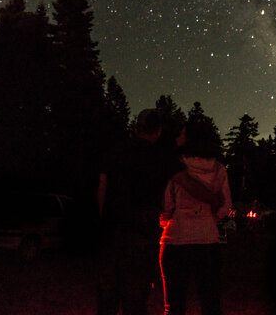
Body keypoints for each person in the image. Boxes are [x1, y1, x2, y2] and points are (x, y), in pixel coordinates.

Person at [97, 109, 220, 315]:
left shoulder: (115, 151)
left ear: (136, 129)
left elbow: (102, 186)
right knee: (135, 300)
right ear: (159, 131)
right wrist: (214, 198)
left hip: (111, 234)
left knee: (107, 298)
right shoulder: (160, 157)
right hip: (140, 236)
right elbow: (188, 183)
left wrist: (103, 220)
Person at [159, 120, 233, 315]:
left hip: (175, 240)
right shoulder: (218, 169)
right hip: (208, 241)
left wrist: (169, 216)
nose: (178, 137)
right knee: (211, 304)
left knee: (174, 306)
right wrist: (211, 218)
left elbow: (167, 204)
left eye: (182, 134)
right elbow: (226, 206)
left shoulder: (176, 168)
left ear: (190, 138)